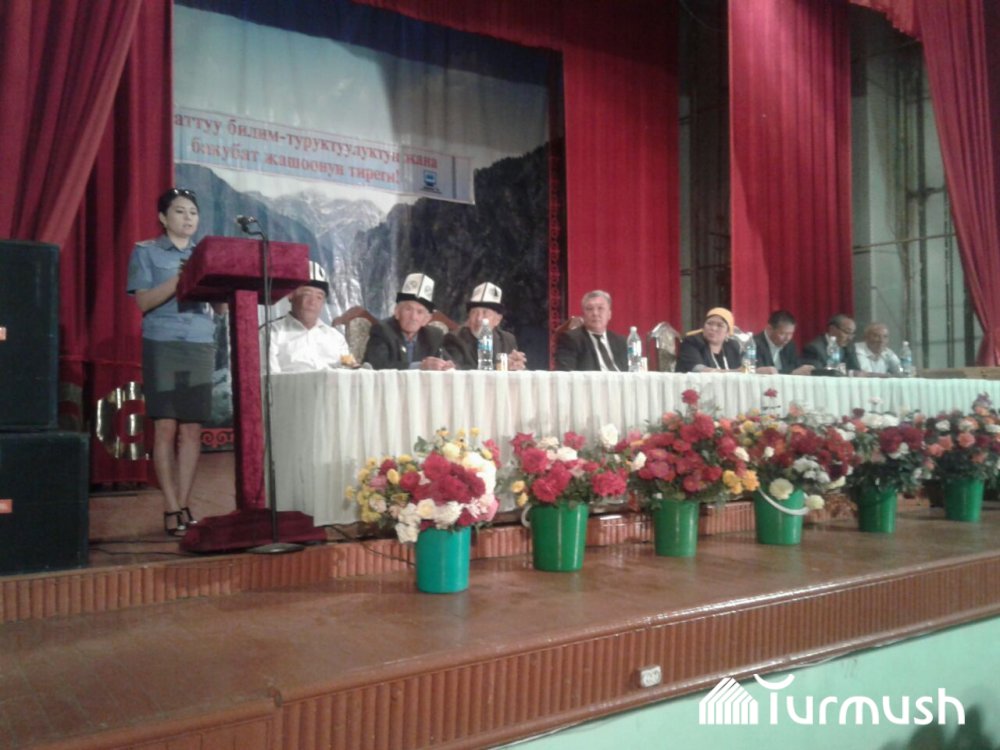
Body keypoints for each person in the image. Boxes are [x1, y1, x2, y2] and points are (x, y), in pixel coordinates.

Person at [127, 187, 222, 536]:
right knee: (166, 426)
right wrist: (181, 279)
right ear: (163, 218)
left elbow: (221, 308)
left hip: (199, 343)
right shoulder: (146, 252)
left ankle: (184, 504)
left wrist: (219, 283)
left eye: (193, 213)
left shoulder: (205, 255)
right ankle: (169, 506)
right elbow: (143, 302)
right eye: (180, 211)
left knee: (192, 428)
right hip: (163, 342)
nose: (188, 218)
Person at [263, 261, 352, 373]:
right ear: (290, 295)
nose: (313, 302)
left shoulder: (337, 338)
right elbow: (269, 379)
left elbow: (350, 369)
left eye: (319, 297)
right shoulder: (270, 334)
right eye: (307, 294)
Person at [363, 273, 454, 370]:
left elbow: (450, 362)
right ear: (397, 312)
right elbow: (378, 365)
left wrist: (447, 365)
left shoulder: (434, 336)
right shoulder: (382, 330)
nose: (413, 317)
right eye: (408, 309)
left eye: (419, 312)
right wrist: (420, 366)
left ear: (426, 320)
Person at [442, 282, 527, 370]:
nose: (479, 318)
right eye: (474, 312)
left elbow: (517, 371)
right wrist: (501, 367)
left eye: (485, 313)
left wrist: (517, 365)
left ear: (497, 320)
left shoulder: (507, 340)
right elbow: (459, 372)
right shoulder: (454, 339)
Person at [554, 290, 628, 371]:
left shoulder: (621, 342)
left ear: (609, 314)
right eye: (589, 309)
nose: (595, 313)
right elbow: (566, 372)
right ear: (583, 314)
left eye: (600, 308)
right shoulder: (570, 339)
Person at [677, 307, 743, 373]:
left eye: (720, 325)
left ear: (728, 332)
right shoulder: (691, 342)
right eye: (709, 323)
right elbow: (698, 369)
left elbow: (741, 368)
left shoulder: (733, 346)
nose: (713, 328)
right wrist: (734, 372)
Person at [753, 310, 814, 376]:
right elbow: (762, 372)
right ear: (769, 329)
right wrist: (792, 373)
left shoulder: (790, 345)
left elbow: (795, 367)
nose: (788, 338)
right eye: (782, 333)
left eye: (790, 334)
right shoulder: (754, 344)